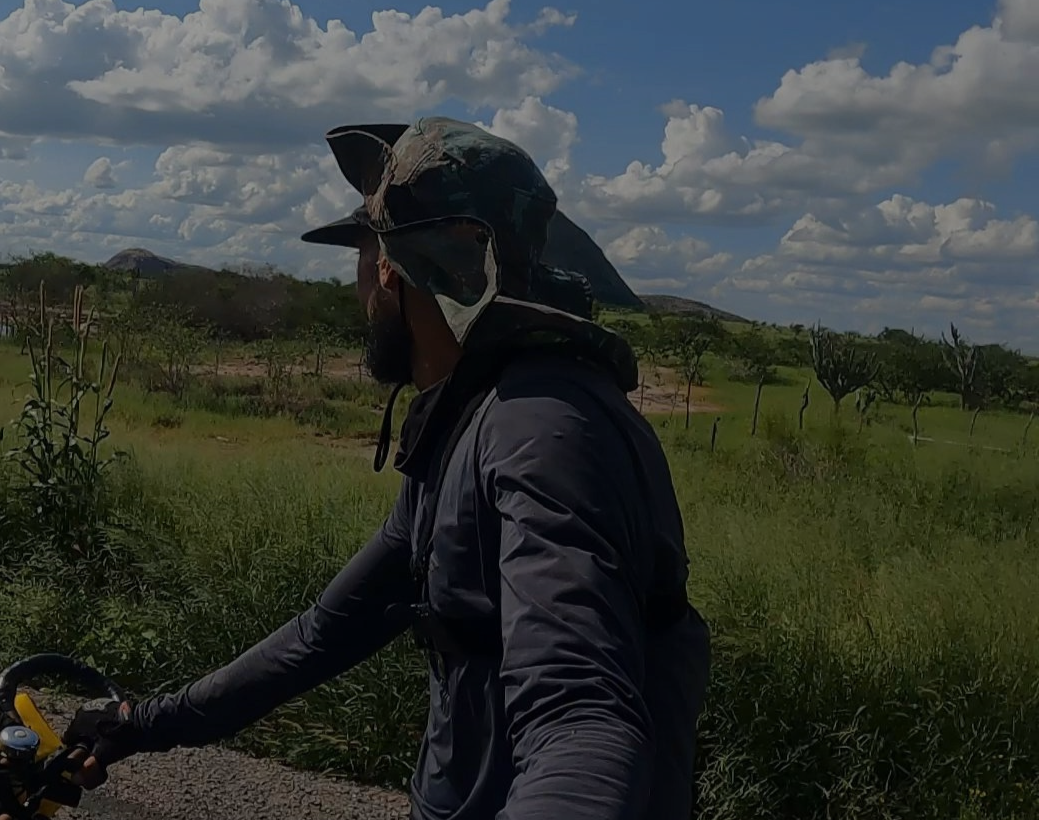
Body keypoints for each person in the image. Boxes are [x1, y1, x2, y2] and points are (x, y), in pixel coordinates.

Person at [65, 117, 713, 820]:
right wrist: (146, 721)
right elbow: (325, 633)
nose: (358, 293)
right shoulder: (474, 420)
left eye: (363, 257)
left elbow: (581, 721)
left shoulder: (541, 430)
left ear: (391, 268)